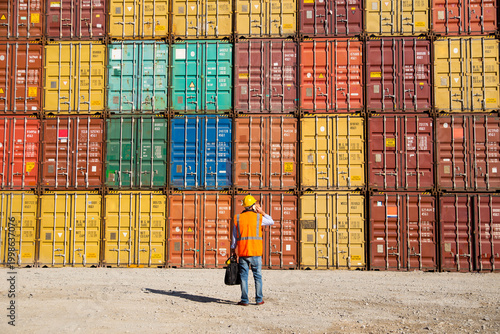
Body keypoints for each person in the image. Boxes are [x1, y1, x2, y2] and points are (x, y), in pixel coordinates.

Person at [230, 195, 274, 306]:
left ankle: (245, 300)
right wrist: (261, 211)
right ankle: (259, 300)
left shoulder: (238, 218)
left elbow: (234, 237)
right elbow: (271, 221)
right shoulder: (259, 218)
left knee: (243, 277)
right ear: (253, 206)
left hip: (243, 252)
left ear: (245, 206)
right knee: (257, 276)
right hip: (255, 252)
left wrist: (233, 250)